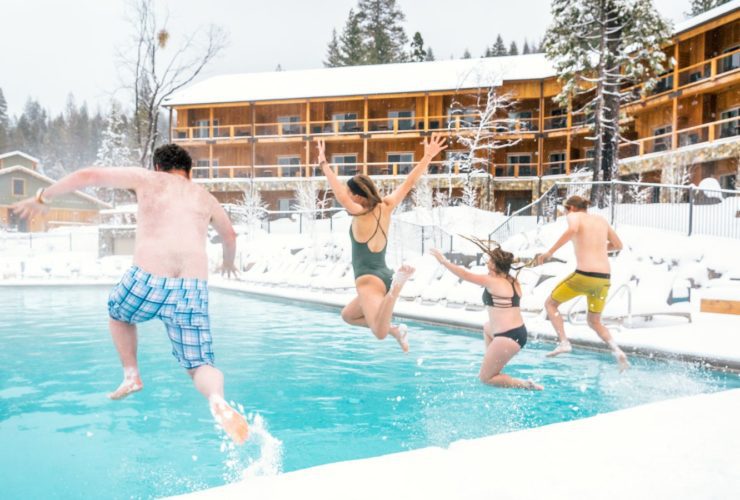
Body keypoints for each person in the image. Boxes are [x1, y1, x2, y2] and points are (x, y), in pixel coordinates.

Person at [12, 144, 249, 444]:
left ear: (158, 168)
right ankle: (217, 400)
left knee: (118, 313)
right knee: (200, 364)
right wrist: (227, 263)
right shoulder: (206, 197)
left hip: (149, 278)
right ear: (189, 172)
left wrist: (42, 197)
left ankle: (131, 374)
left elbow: (89, 175)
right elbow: (229, 235)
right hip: (192, 287)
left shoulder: (148, 179)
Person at [316, 135, 447, 352]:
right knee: (348, 315)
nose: (347, 198)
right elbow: (409, 182)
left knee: (379, 331)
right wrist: (428, 156)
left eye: (350, 195)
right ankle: (396, 329)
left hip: (369, 281)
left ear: (357, 197)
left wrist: (323, 163)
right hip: (382, 274)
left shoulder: (360, 213)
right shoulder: (387, 205)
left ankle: (397, 287)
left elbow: (339, 193)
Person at [430, 242, 543, 390]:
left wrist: (443, 261)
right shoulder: (513, 281)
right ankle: (493, 362)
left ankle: (525, 385)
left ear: (495, 265)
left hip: (508, 336)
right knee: (487, 327)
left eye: (490, 260)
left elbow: (465, 274)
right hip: (518, 332)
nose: (487, 262)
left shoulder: (493, 281)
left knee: (486, 378)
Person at [535, 195, 629, 371]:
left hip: (584, 275)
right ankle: (617, 351)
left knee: (551, 304)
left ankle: (564, 342)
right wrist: (597, 247)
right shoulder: (601, 220)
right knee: (594, 321)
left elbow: (572, 230)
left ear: (570, 208)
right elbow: (618, 245)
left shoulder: (574, 216)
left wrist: (549, 252)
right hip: (603, 279)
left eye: (565, 211)